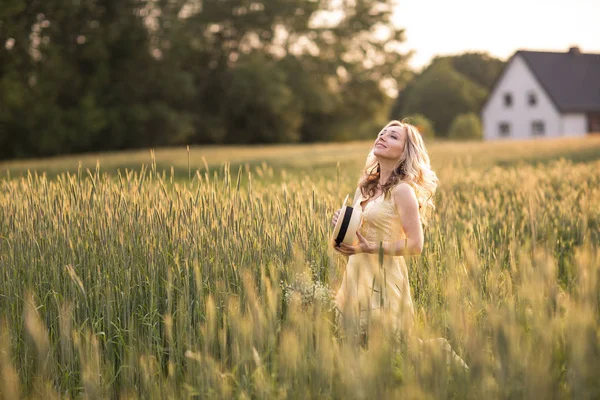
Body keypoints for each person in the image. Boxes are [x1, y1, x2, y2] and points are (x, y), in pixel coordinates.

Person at [331, 119, 468, 369]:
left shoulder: (403, 191)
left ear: (405, 152)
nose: (382, 136)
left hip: (384, 279)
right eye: (382, 132)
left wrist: (369, 248)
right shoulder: (365, 187)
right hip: (355, 275)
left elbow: (415, 245)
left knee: (393, 348)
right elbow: (359, 237)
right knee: (353, 345)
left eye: (393, 136)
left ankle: (447, 365)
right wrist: (341, 228)